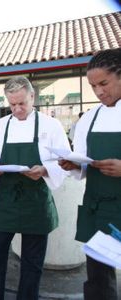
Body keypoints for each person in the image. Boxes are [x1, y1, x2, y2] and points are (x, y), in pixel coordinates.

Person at [0, 76, 70, 300]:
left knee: (32, 262)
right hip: (6, 200)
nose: (17, 109)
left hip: (36, 202)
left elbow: (66, 161)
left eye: (22, 103)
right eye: (12, 105)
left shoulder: (51, 125)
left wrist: (46, 169)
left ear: (33, 97)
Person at [59, 48, 121, 300]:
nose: (98, 92)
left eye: (104, 83)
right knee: (98, 278)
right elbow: (84, 159)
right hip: (99, 208)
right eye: (93, 86)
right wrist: (75, 165)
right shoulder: (89, 119)